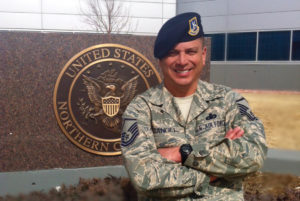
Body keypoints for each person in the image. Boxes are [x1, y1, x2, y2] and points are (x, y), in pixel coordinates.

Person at [121, 12, 268, 201]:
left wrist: (183, 153)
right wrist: (218, 171)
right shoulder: (141, 109)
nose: (182, 61)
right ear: (160, 59)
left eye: (190, 51)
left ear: (203, 55)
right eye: (173, 53)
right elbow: (144, 177)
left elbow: (253, 154)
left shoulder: (228, 100)